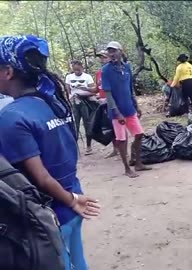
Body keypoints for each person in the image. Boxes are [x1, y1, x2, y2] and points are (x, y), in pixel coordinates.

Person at [0, 35, 100, 270]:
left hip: (52, 210)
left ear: (8, 72)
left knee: (60, 263)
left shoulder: (10, 117)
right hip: (73, 196)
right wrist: (73, 198)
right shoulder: (51, 102)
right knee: (77, 258)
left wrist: (71, 201)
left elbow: (41, 178)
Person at [102, 41, 151, 178]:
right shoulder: (106, 70)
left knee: (139, 134)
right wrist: (117, 112)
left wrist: (136, 105)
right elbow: (108, 93)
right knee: (122, 139)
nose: (111, 54)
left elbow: (130, 89)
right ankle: (127, 168)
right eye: (109, 52)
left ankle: (138, 162)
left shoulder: (127, 67)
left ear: (121, 51)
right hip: (117, 112)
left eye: (114, 51)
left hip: (129, 108)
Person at [65, 60, 98, 155]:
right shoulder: (69, 77)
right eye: (74, 70)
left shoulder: (87, 77)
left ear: (82, 68)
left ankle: (89, 146)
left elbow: (94, 91)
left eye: (78, 70)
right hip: (74, 103)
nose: (76, 72)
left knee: (88, 123)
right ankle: (74, 147)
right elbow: (68, 89)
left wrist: (84, 92)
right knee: (75, 125)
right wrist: (70, 96)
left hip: (85, 102)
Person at [95, 50, 119, 158]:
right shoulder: (99, 73)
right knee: (110, 127)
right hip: (102, 102)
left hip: (112, 101)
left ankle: (122, 149)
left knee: (118, 126)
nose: (102, 59)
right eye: (100, 58)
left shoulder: (114, 71)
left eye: (104, 57)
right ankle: (115, 149)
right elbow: (97, 88)